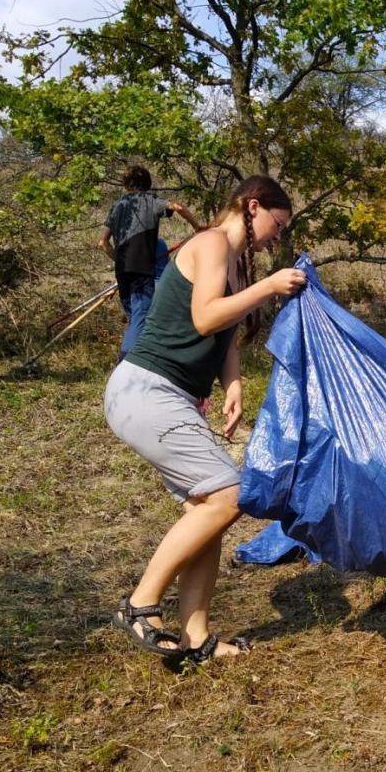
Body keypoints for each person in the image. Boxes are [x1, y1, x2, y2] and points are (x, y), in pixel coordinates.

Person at [103, 174, 306, 665]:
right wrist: (268, 287)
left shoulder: (234, 263)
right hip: (145, 390)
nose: (278, 235)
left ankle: (197, 637)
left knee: (207, 511)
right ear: (253, 207)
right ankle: (139, 603)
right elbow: (206, 318)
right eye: (278, 223)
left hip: (170, 395)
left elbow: (225, 337)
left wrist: (232, 385)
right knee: (229, 494)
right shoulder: (211, 243)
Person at [98, 166, 205, 360]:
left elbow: (103, 243)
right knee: (141, 316)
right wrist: (197, 227)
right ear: (147, 184)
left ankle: (139, 359)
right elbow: (178, 206)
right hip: (141, 270)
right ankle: (126, 362)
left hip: (122, 271)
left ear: (126, 184)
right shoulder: (151, 202)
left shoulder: (117, 206)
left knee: (135, 317)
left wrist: (119, 261)